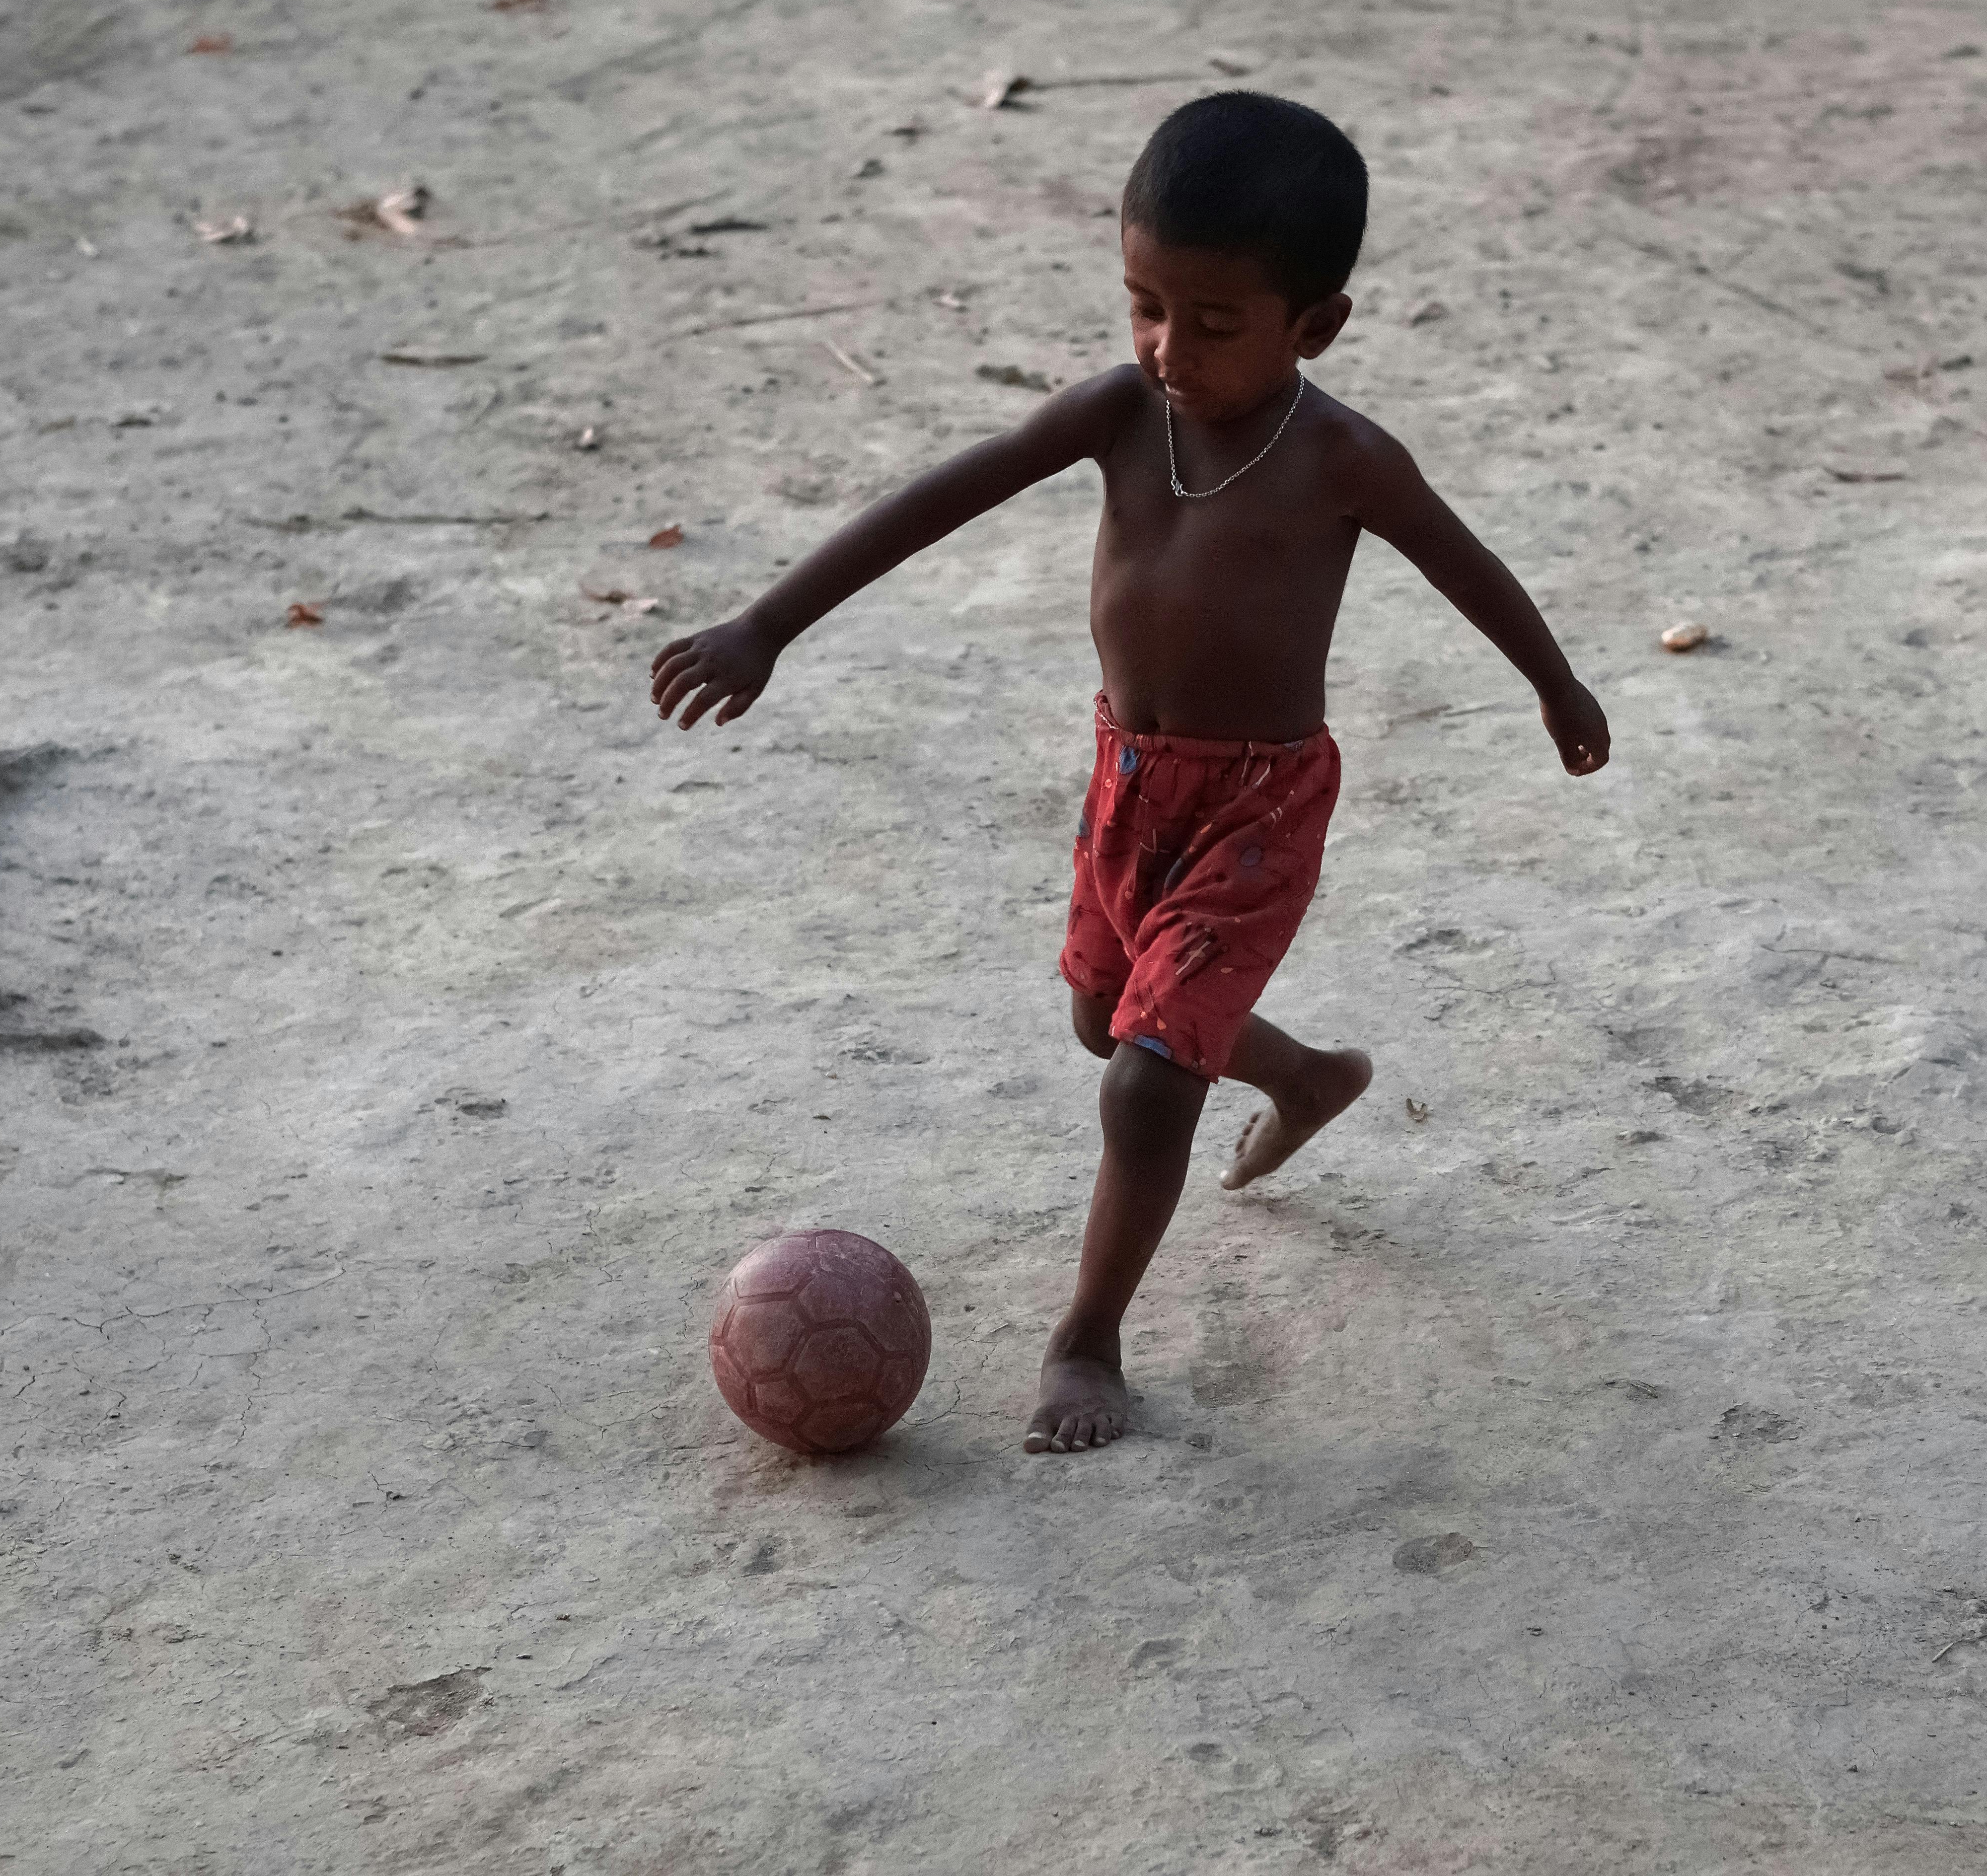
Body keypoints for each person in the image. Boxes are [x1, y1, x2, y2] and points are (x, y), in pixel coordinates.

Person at [650, 92, 1611, 1455]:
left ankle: (1086, 1341)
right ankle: (1305, 1076)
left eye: (1215, 325)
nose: (1169, 351)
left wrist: (1554, 683)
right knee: (1111, 1023)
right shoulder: (1118, 413)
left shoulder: (1344, 461)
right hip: (1130, 779)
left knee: (1147, 1075)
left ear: (1315, 326)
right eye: (1144, 305)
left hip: (1260, 806)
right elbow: (946, 493)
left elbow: (1466, 565)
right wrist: (769, 625)